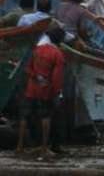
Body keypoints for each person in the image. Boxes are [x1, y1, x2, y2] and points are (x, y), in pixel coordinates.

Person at [17, 27, 66, 157]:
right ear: (60, 40)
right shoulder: (58, 54)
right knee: (46, 117)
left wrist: (37, 77)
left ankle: (20, 146)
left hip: (31, 89)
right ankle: (44, 147)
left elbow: (27, 68)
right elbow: (57, 78)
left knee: (25, 116)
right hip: (46, 91)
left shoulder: (37, 50)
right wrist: (56, 92)